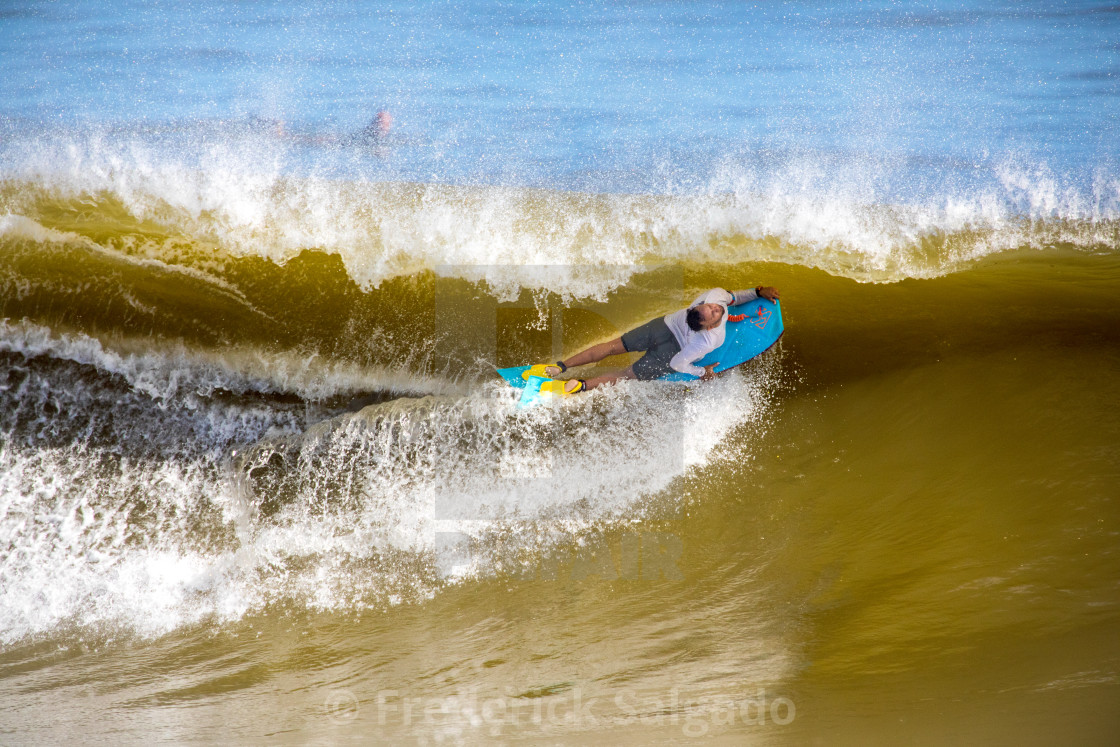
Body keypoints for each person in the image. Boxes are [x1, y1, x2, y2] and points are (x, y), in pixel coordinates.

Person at [524, 285, 781, 394]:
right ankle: (574, 382)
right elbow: (680, 364)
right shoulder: (711, 339)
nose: (716, 308)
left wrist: (758, 291)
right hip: (671, 350)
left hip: (663, 326)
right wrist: (703, 370)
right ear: (706, 323)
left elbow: (733, 297)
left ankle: (560, 369)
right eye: (712, 311)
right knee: (625, 373)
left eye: (714, 309)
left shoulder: (714, 297)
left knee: (613, 347)